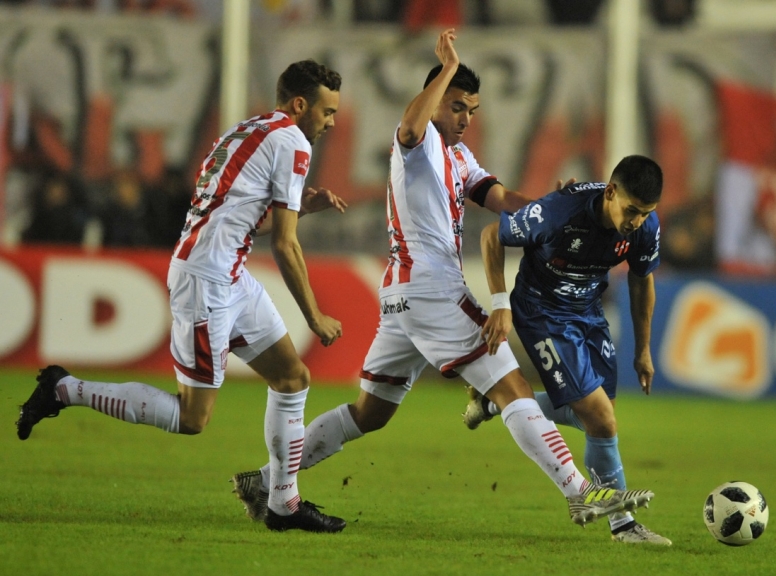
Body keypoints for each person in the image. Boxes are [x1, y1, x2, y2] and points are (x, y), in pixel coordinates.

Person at [229, 29, 655, 531]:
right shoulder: (420, 141)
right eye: (456, 107)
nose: (465, 118)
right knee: (512, 387)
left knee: (370, 413)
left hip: (403, 296)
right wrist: (447, 68)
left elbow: (502, 199)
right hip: (431, 289)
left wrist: (552, 205)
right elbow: (412, 127)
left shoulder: (459, 156)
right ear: (435, 100)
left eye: (472, 110)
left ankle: (265, 481)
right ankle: (580, 493)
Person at [16, 59, 350, 534]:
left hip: (226, 273)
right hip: (206, 281)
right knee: (192, 418)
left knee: (292, 377)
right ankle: (64, 389)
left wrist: (302, 209)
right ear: (300, 105)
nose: (331, 122)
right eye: (327, 111)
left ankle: (283, 504)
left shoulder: (245, 131)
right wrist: (314, 315)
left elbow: (234, 219)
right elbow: (285, 244)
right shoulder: (292, 141)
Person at [461, 155, 671, 545]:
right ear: (611, 192)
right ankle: (623, 525)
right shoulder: (558, 214)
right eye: (632, 210)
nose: (637, 221)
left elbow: (642, 281)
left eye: (646, 213)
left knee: (596, 419)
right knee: (602, 419)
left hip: (587, 311)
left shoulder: (645, 227)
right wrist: (500, 304)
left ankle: (495, 403)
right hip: (542, 313)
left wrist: (643, 350)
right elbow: (492, 235)